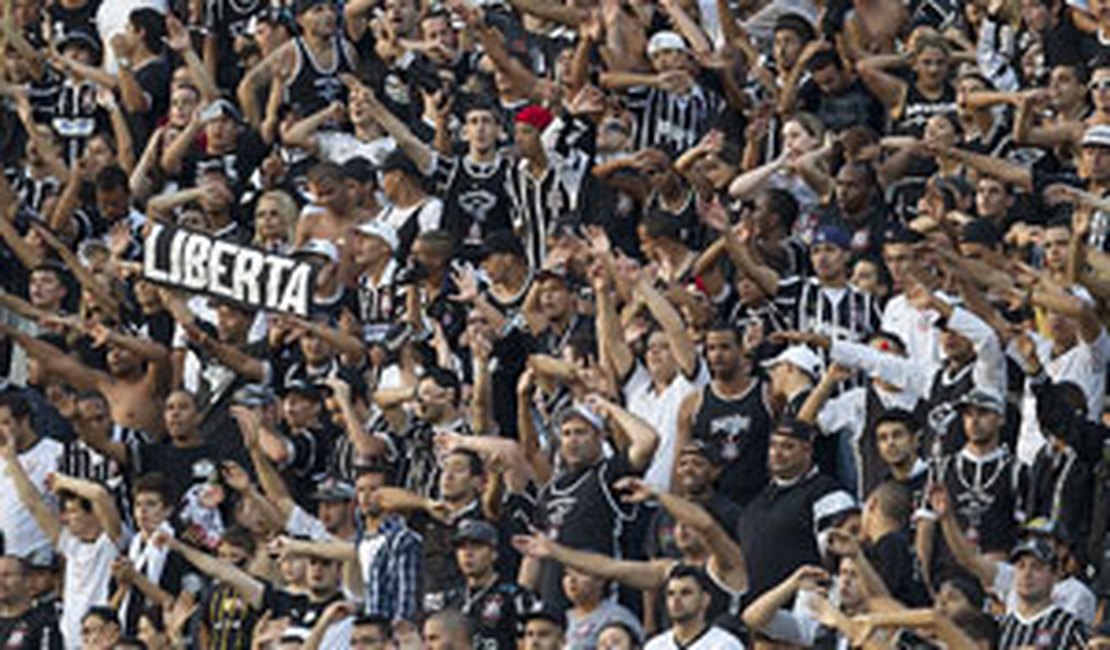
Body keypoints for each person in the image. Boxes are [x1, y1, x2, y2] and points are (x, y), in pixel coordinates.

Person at [643, 566, 744, 650]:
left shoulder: (725, 645)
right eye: (671, 594)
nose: (676, 599)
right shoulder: (654, 646)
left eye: (686, 593)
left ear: (705, 599)